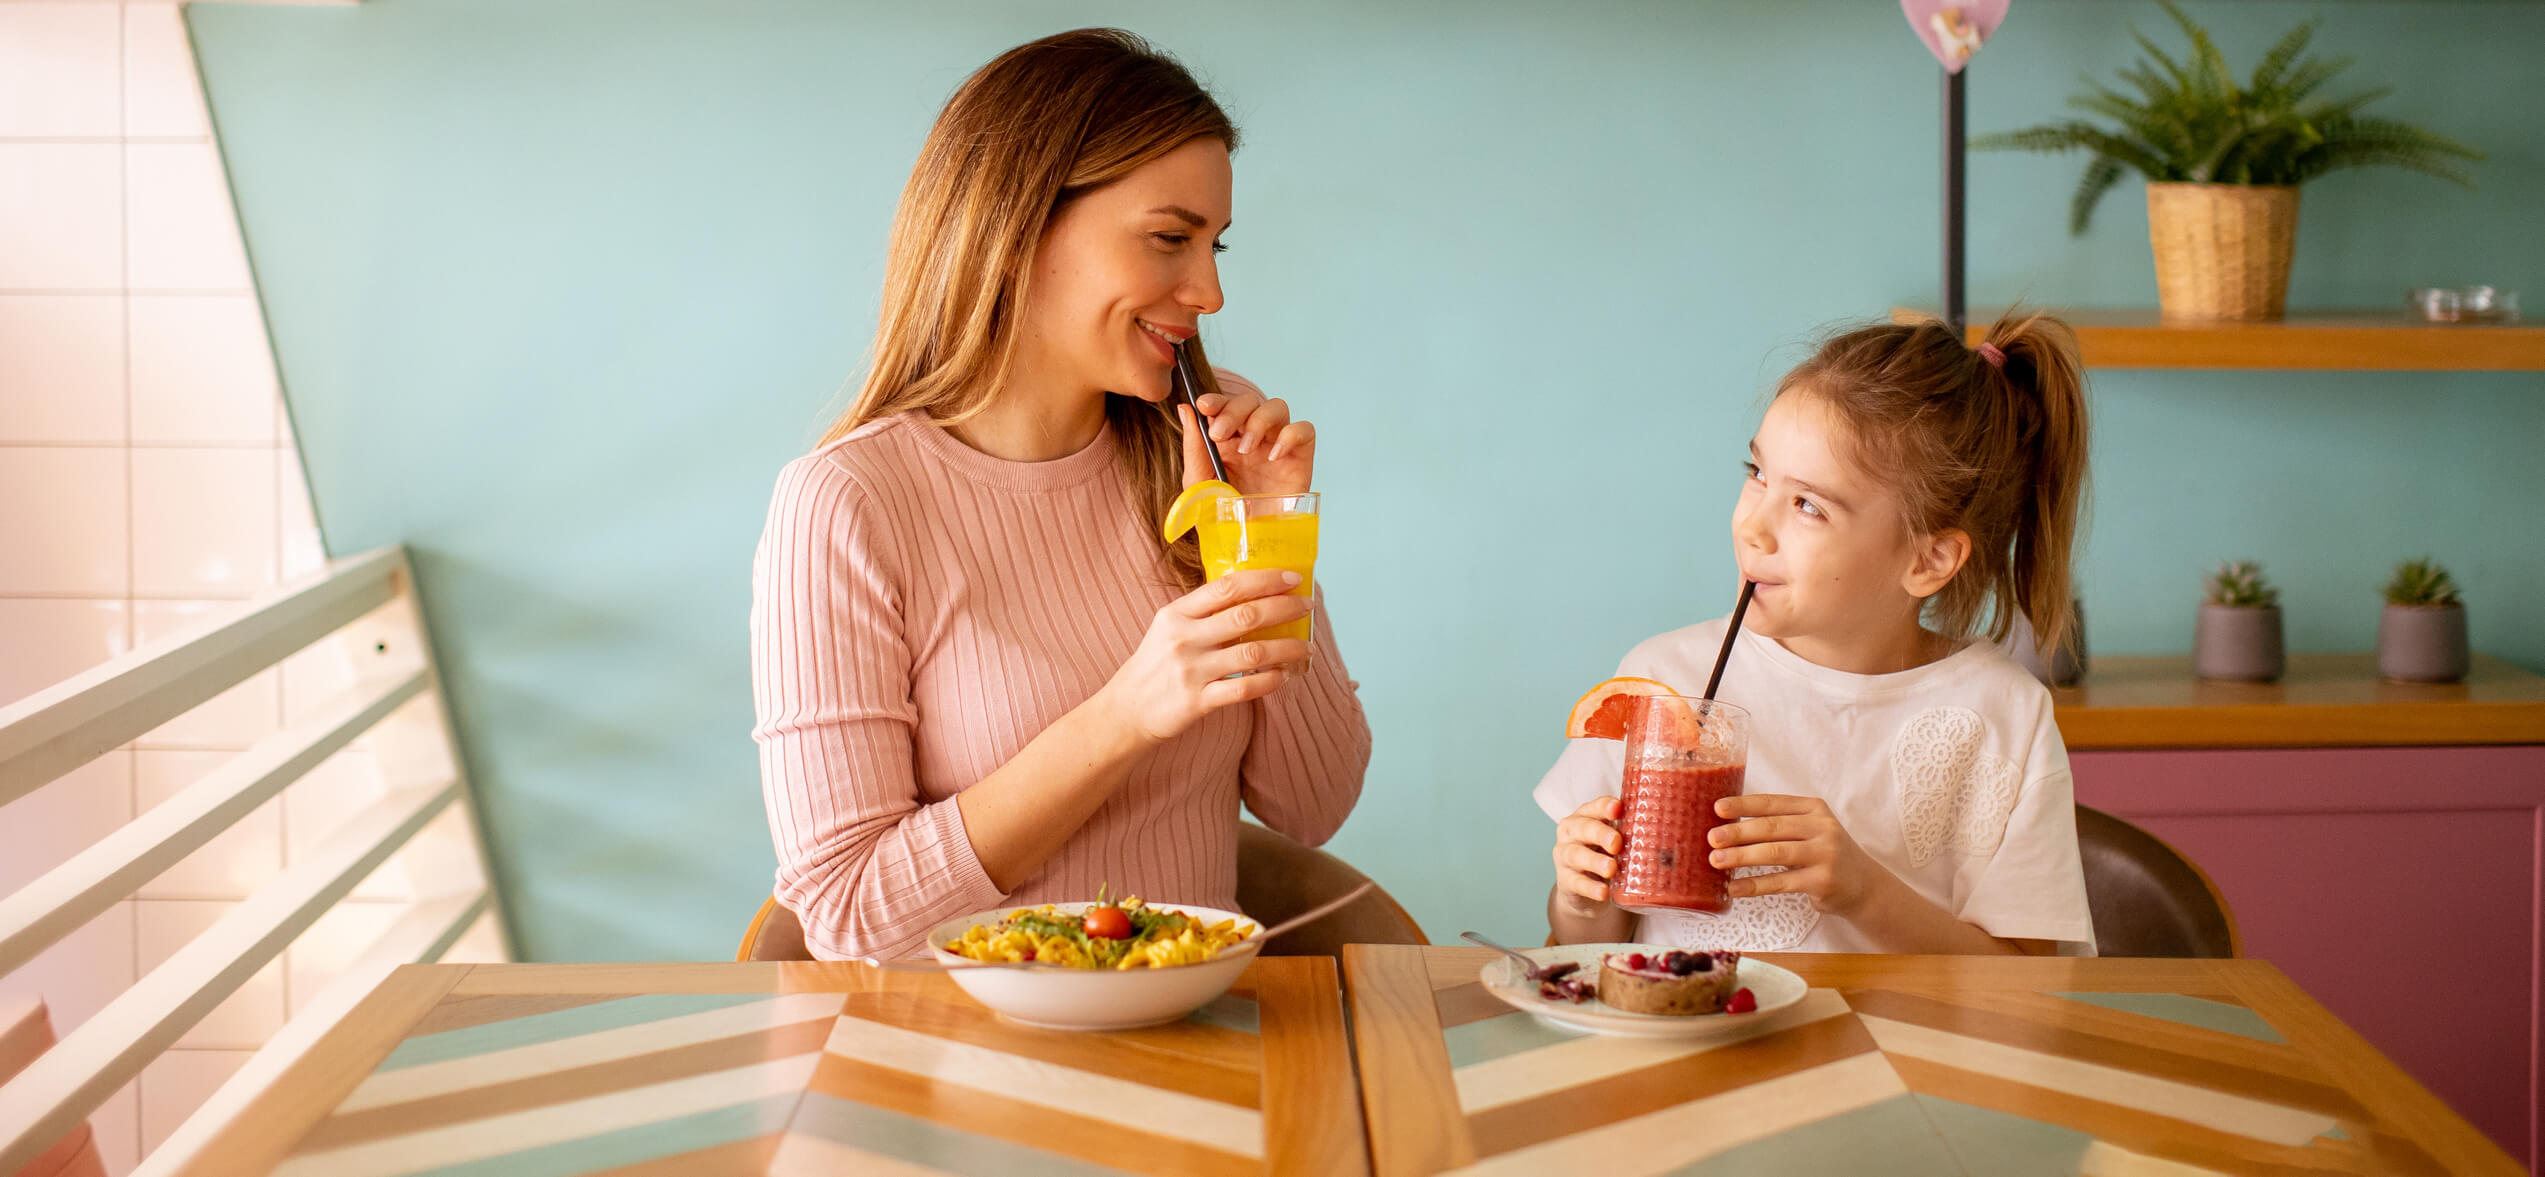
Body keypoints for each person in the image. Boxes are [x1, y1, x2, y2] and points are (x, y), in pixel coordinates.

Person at [752, 30, 1369, 959]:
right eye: (1170, 238)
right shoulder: (847, 503)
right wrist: (1124, 715)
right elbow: (848, 913)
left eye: (1214, 245)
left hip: (1192, 1053)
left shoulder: (1198, 452)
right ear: (1019, 225)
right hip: (945, 1072)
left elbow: (1313, 806)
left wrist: (1269, 538)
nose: (1208, 290)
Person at [1542, 314, 2097, 955]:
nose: (1753, 527)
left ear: (1928, 561)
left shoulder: (2006, 716)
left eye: (1809, 505)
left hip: (1903, 1054)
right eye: (1757, 473)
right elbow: (1579, 946)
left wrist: (1865, 892)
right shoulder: (1664, 684)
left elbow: (2030, 986)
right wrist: (1579, 896)